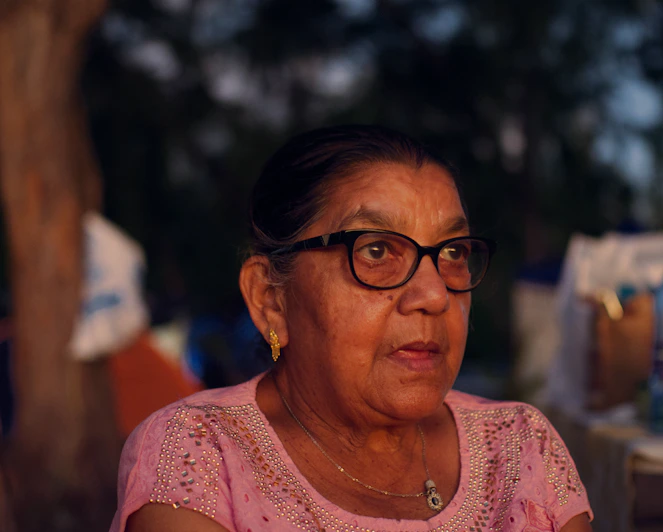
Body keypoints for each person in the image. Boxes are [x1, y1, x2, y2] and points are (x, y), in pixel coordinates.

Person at [110, 125, 593, 531]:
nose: (434, 295)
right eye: (377, 251)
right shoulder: (198, 454)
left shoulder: (521, 447)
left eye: (452, 253)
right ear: (270, 299)